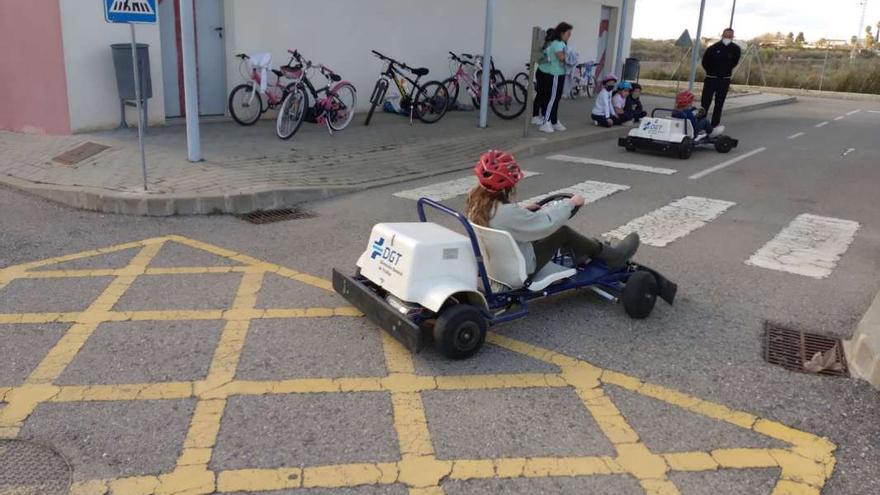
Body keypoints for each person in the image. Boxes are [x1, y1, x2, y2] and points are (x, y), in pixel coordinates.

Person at [465, 150, 640, 276]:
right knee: (561, 232)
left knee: (551, 231)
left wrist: (525, 211)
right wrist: (570, 203)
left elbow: (507, 220)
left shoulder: (476, 204)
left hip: (496, 263)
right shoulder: (507, 214)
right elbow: (546, 223)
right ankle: (614, 257)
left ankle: (583, 252)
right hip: (520, 267)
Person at [531, 22, 573, 133]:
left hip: (560, 74)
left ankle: (554, 121)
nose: (570, 35)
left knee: (556, 98)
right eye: (568, 33)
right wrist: (571, 56)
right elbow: (561, 57)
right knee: (552, 98)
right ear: (562, 33)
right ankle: (546, 122)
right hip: (554, 74)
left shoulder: (561, 43)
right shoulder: (557, 44)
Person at [701, 28, 741, 127]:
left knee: (719, 104)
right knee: (705, 102)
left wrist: (725, 71)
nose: (727, 38)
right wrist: (712, 72)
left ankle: (714, 125)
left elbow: (734, 62)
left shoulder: (736, 49)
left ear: (732, 37)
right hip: (711, 79)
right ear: (722, 35)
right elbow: (705, 62)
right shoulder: (713, 48)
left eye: (729, 36)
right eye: (726, 36)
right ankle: (701, 123)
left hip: (724, 80)